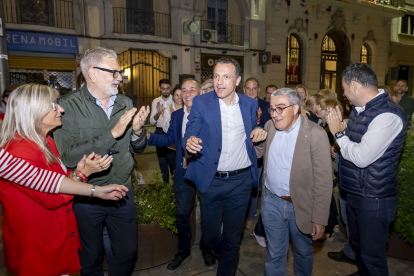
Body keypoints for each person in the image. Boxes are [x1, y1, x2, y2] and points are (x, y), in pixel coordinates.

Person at [0, 84, 127, 276]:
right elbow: (51, 195)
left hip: (54, 237)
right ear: (34, 112)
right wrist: (84, 176)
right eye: (53, 105)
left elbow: (53, 179)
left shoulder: (45, 140)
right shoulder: (20, 150)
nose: (61, 109)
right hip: (37, 248)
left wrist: (79, 171)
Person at [54, 46, 150, 276]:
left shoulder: (125, 103)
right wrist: (112, 134)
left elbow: (137, 147)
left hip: (122, 192)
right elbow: (68, 156)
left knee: (128, 252)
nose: (119, 78)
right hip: (88, 197)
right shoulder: (68, 107)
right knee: (90, 257)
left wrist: (137, 133)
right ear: (92, 73)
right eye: (113, 72)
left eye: (119, 73)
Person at [183, 57, 267, 276]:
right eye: (216, 76)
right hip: (212, 181)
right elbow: (191, 130)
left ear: (237, 80)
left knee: (233, 238)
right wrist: (189, 141)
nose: (219, 82)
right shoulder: (202, 102)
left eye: (226, 77)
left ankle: (227, 263)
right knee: (210, 236)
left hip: (240, 183)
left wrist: (259, 132)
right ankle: (222, 250)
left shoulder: (249, 103)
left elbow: (251, 132)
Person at [326, 63, 408, 276]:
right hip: (356, 193)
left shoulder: (388, 115)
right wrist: (342, 142)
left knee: (372, 258)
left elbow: (362, 157)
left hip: (374, 199)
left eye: (344, 88)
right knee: (360, 250)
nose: (344, 94)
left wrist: (339, 135)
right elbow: (353, 145)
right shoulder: (361, 110)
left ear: (354, 86)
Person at [255, 87, 332, 275]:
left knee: (304, 253)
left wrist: (320, 218)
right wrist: (255, 137)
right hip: (271, 202)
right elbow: (256, 154)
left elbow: (324, 180)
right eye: (272, 109)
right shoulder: (269, 127)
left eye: (280, 108)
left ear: (296, 108)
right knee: (275, 254)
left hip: (301, 205)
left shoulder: (315, 134)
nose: (274, 114)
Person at [147, 79, 216, 273]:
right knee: (182, 214)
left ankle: (206, 248)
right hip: (183, 172)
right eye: (184, 90)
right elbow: (170, 139)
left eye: (191, 90)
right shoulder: (177, 116)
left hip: (204, 171)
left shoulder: (210, 114)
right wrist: (148, 136)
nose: (187, 94)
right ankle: (183, 250)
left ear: (200, 92)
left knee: (209, 215)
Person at [243, 77, 271, 247]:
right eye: (248, 88)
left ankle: (252, 214)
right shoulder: (238, 104)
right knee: (244, 184)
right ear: (244, 89)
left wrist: (259, 120)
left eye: (254, 88)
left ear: (258, 89)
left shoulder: (267, 106)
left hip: (260, 153)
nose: (251, 91)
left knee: (257, 185)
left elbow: (269, 129)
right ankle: (244, 213)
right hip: (243, 152)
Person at [149, 79, 176, 182]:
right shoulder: (156, 101)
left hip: (171, 132)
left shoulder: (174, 100)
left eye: (168, 88)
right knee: (162, 161)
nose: (166, 91)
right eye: (163, 89)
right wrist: (158, 113)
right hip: (160, 131)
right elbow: (151, 121)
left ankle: (174, 186)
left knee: (172, 160)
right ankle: (165, 185)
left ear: (171, 88)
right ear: (159, 88)